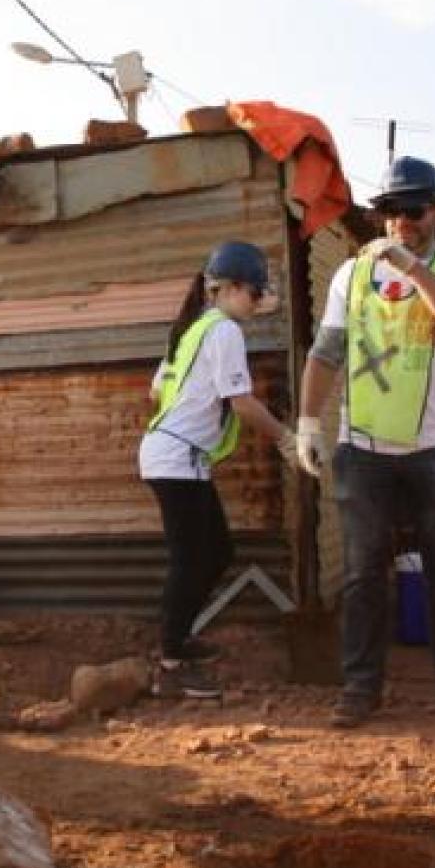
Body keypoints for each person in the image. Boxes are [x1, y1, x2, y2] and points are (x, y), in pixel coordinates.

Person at [294, 156, 435, 727]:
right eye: (388, 211)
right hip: (363, 450)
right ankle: (360, 690)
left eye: (411, 210)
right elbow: (327, 351)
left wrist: (410, 266)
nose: (399, 222)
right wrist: (309, 423)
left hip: (434, 448)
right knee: (362, 577)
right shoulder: (351, 276)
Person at [138, 241, 294, 699]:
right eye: (255, 294)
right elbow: (242, 404)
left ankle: (178, 641)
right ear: (234, 287)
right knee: (191, 562)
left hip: (176, 456)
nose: (257, 304)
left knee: (217, 552)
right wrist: (285, 437)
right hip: (176, 459)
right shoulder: (222, 330)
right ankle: (169, 664)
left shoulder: (191, 330)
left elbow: (155, 395)